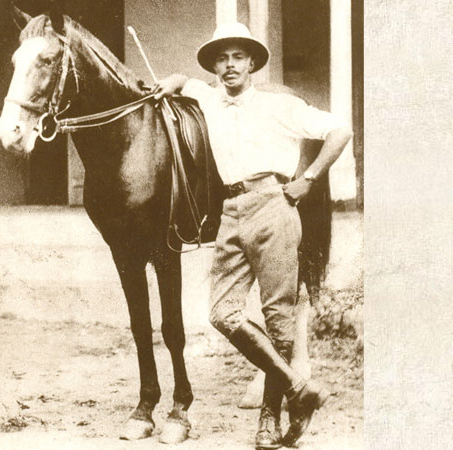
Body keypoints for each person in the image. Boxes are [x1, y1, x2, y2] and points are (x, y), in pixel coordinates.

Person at [153, 22, 352, 449]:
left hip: (273, 206)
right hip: (230, 210)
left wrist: (309, 179)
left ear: (251, 64)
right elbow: (184, 82)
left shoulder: (279, 105)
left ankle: (269, 420)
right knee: (221, 313)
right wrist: (172, 81)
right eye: (222, 59)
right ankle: (300, 388)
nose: (229, 66)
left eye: (238, 57)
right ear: (215, 67)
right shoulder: (208, 98)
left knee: (278, 319)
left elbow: (340, 131)